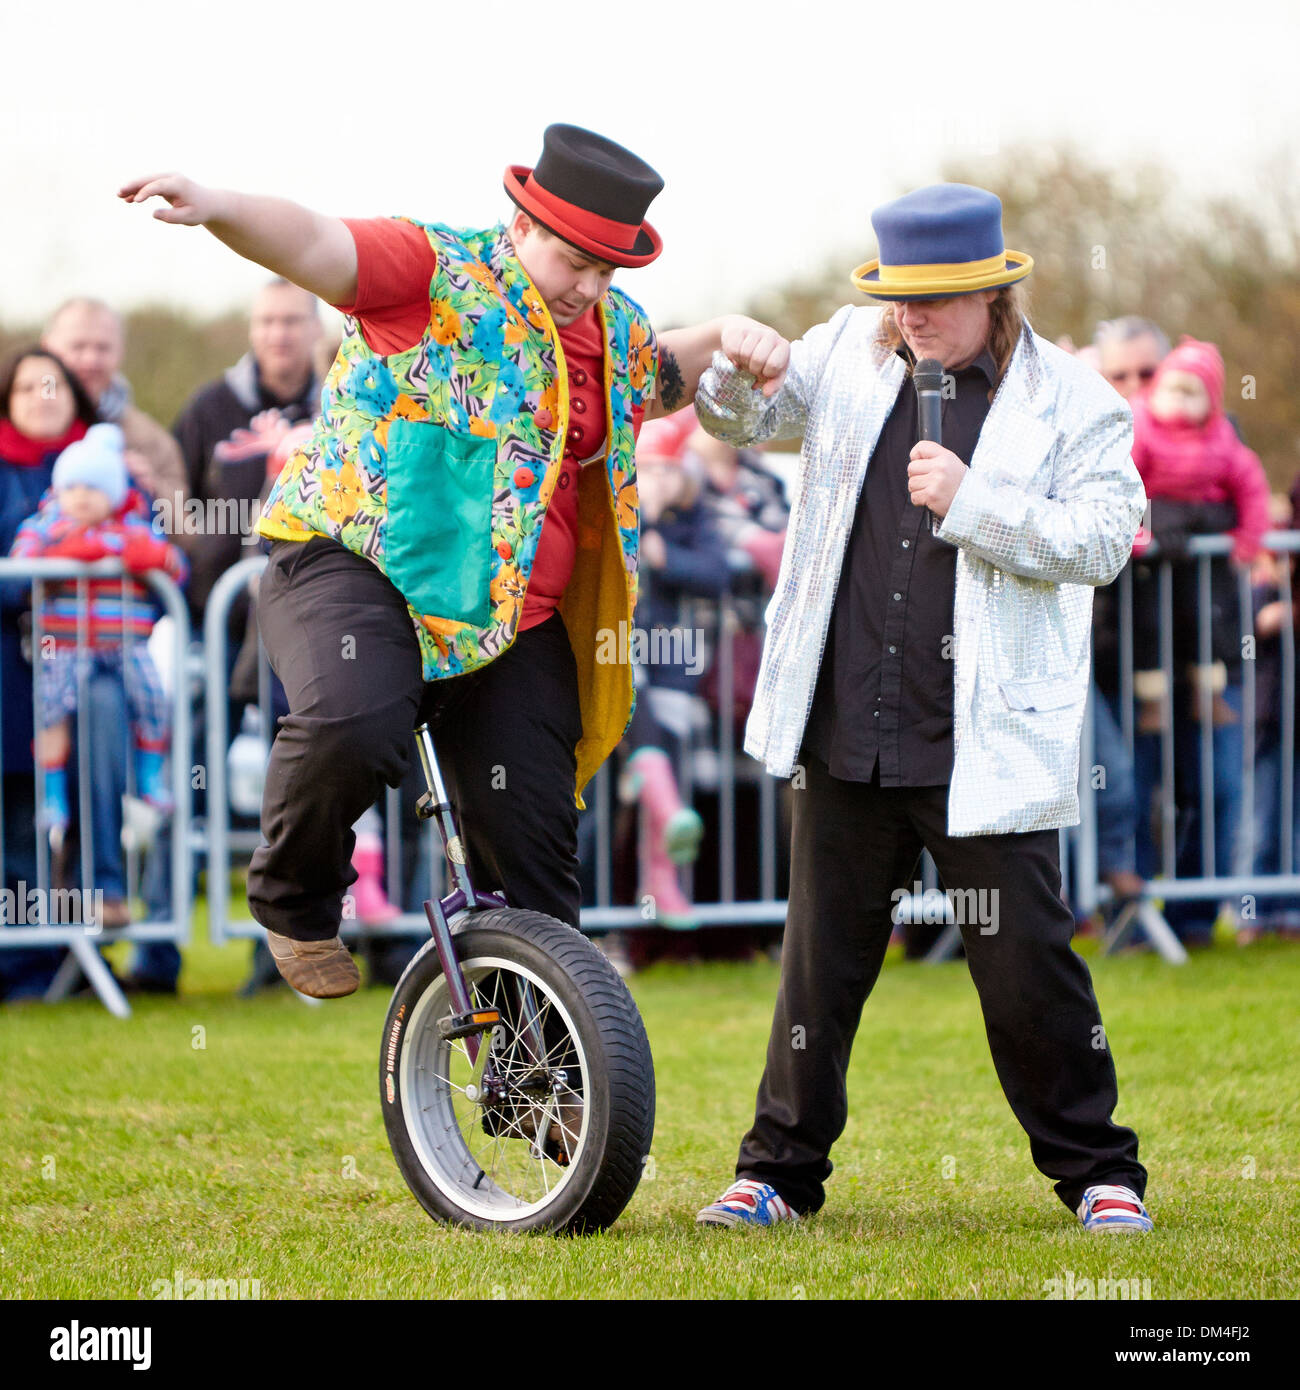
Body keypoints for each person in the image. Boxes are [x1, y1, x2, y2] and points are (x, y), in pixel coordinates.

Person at [121, 123, 788, 997]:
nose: (588, 286)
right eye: (572, 260)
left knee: (540, 864)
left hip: (512, 618)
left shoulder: (607, 328)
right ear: (521, 228)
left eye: (606, 270)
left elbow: (655, 374)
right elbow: (318, 241)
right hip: (359, 565)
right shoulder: (433, 269)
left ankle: (539, 1084)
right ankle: (294, 893)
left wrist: (731, 333)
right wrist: (218, 207)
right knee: (354, 725)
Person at [692, 184, 1153, 1235]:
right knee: (818, 967)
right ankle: (773, 1174)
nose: (911, 316)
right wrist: (735, 365)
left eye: (934, 298)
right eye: (898, 295)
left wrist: (974, 502)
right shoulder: (849, 350)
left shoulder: (1072, 399)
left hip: (983, 743)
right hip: (843, 725)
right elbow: (742, 418)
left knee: (1029, 963)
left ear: (992, 292)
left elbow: (1104, 538)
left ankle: (1098, 1174)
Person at [10, 424, 185, 926]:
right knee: (53, 713)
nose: (80, 498)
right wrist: (73, 555)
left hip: (126, 648)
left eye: (93, 489)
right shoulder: (47, 526)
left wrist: (147, 557)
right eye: (72, 488)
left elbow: (173, 565)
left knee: (155, 704)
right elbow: (20, 567)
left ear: (112, 493)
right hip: (65, 649)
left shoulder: (131, 529)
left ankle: (152, 776)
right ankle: (52, 792)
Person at [0, 348, 99, 1000]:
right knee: (15, 821)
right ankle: (20, 964)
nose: (43, 395)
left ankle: (66, 962)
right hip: (13, 676)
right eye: (29, 386)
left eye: (55, 384)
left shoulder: (103, 467)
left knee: (80, 826)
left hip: (90, 673)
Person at [41, 298, 188, 513]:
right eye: (77, 346)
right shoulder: (12, 426)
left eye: (103, 348)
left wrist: (151, 489)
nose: (91, 359)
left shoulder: (150, 440)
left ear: (120, 353)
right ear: (47, 348)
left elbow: (188, 536)